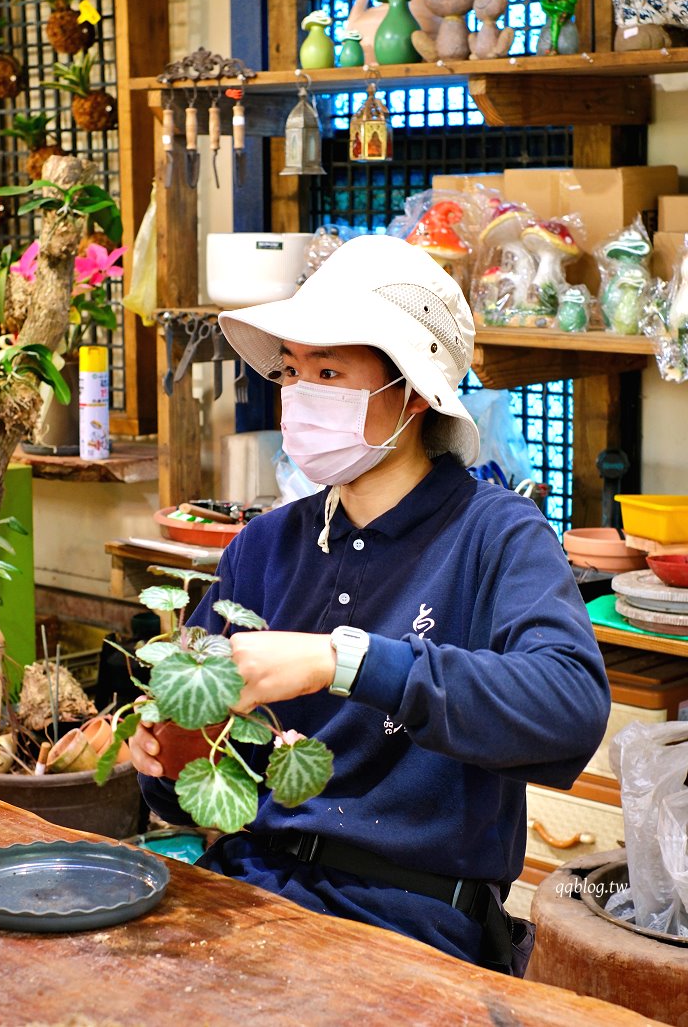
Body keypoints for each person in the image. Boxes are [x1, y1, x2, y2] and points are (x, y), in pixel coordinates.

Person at [131, 234, 609, 974]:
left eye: (329, 371)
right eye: (292, 371)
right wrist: (170, 760)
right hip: (250, 895)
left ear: (412, 393)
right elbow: (181, 783)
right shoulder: (265, 548)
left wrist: (341, 660)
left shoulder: (496, 536)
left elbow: (569, 706)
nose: (300, 393)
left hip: (413, 927)